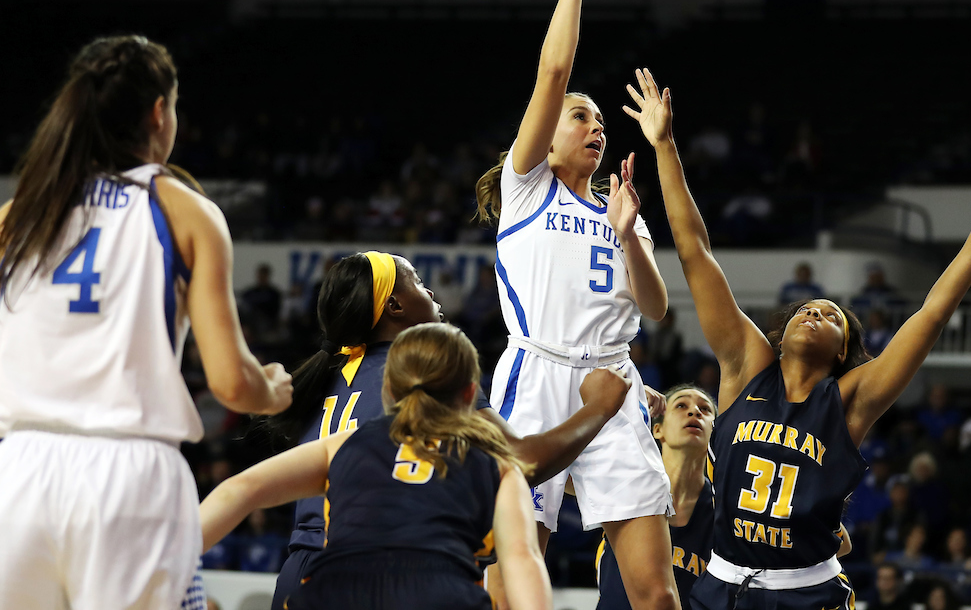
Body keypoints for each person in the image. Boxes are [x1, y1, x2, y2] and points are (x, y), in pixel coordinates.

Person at [624, 67, 971, 609]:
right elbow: (696, 251)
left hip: (805, 593)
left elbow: (932, 313)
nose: (814, 313)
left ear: (843, 351)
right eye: (805, 310)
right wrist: (665, 144)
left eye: (831, 316)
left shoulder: (849, 399)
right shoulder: (746, 366)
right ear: (782, 330)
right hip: (722, 586)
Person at [0, 36, 293, 609]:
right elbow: (232, 383)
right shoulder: (182, 209)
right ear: (159, 111)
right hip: (129, 476)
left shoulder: (16, 215)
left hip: (19, 469)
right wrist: (274, 393)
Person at [474, 0, 676, 610]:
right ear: (547, 137)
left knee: (654, 593)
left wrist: (628, 234)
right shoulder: (526, 189)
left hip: (614, 382)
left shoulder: (619, 207)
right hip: (537, 374)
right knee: (510, 579)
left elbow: (653, 308)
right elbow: (553, 73)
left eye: (598, 120)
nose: (594, 127)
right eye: (580, 117)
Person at [265, 251, 632, 610]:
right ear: (395, 306)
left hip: (300, 575)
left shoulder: (325, 377)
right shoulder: (422, 374)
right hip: (375, 572)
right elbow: (521, 461)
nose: (430, 292)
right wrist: (599, 408)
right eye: (419, 283)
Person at [199, 323, 553, 610]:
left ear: (387, 389)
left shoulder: (342, 444)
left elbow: (240, 489)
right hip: (439, 594)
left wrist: (173, 554)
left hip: (334, 592)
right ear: (469, 393)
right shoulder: (499, 464)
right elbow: (523, 560)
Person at [596, 385, 716, 610]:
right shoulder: (628, 483)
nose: (694, 412)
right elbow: (563, 473)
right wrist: (626, 394)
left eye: (704, 409)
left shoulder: (722, 510)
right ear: (657, 430)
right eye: (681, 405)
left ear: (714, 433)